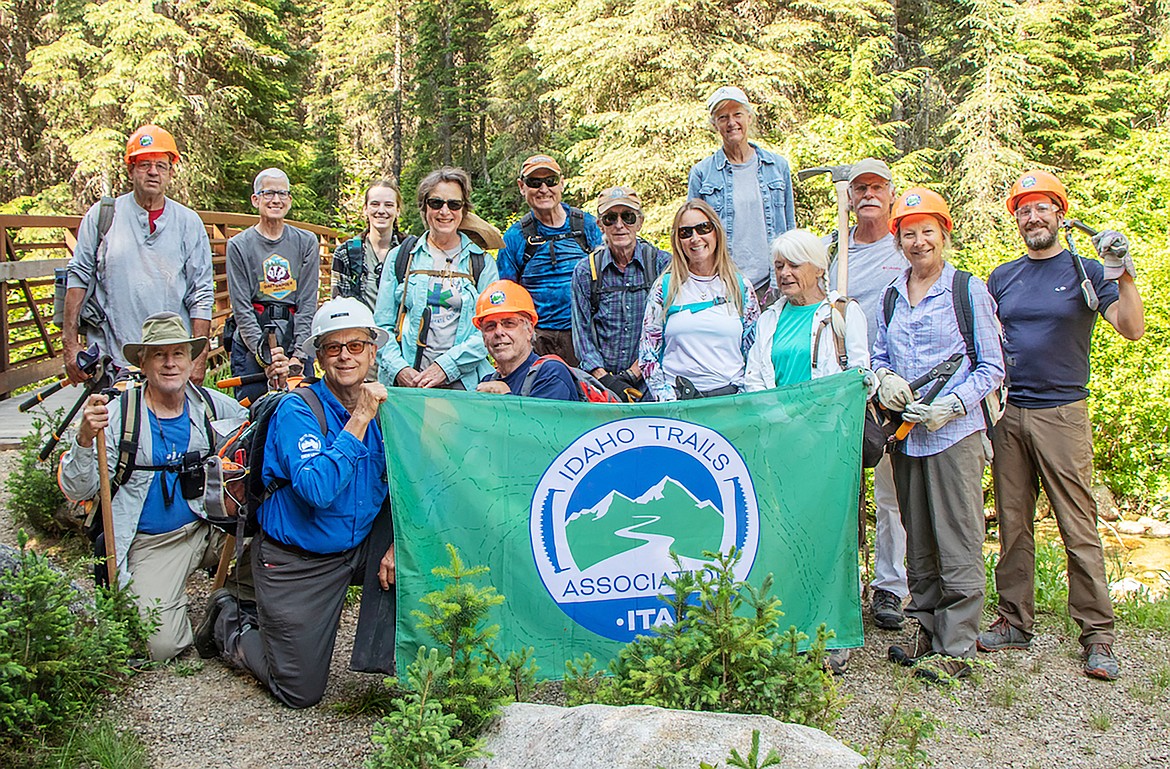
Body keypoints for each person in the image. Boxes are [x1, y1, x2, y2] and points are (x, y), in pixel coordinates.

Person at [977, 171, 1145, 681]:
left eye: (1042, 208)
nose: (1032, 217)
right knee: (1013, 524)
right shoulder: (1002, 277)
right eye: (1023, 210)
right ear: (1017, 219)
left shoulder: (1087, 269)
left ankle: (1097, 636)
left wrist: (1124, 273)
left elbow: (1133, 329)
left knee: (1078, 526)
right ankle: (1013, 621)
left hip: (1063, 413)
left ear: (1060, 213)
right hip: (1008, 413)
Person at [204, 298, 395, 708]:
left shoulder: (389, 408)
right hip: (298, 558)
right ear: (319, 357)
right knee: (299, 691)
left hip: (356, 547)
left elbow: (412, 482)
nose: (346, 356)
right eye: (332, 347)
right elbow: (316, 490)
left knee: (427, 558)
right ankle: (229, 620)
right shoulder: (298, 410)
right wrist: (359, 420)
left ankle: (407, 663)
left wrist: (398, 544)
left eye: (356, 345)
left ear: (373, 351)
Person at [57, 313, 248, 661]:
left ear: (192, 361)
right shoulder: (119, 416)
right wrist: (85, 438)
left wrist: (281, 390)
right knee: (160, 646)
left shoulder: (210, 406)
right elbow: (79, 487)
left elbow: (257, 428)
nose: (171, 363)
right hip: (154, 543)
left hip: (211, 528)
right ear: (142, 363)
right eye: (159, 355)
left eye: (178, 353)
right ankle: (185, 611)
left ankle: (231, 602)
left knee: (271, 542)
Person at [872, 188, 1005, 682]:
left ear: (944, 234)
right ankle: (925, 631)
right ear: (898, 241)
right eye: (909, 233)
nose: (919, 241)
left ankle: (957, 645)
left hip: (954, 433)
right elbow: (879, 354)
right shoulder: (891, 294)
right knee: (918, 537)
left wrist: (952, 405)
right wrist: (884, 380)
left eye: (928, 231)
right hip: (907, 434)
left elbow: (992, 367)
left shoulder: (967, 290)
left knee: (958, 536)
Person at [826, 158, 911, 632]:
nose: (868, 195)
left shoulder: (905, 246)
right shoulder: (835, 249)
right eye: (859, 188)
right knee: (845, 489)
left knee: (893, 492)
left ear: (891, 193)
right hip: (849, 382)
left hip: (896, 382)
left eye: (877, 186)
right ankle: (843, 585)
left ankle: (890, 588)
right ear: (850, 197)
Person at [62, 124, 215, 384]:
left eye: (161, 165)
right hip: (112, 358)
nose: (153, 172)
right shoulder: (103, 215)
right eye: (144, 164)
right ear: (131, 170)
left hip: (170, 363)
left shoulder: (189, 223)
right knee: (111, 424)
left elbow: (201, 293)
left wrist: (198, 360)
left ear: (170, 172)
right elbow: (78, 278)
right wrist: (70, 345)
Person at [373, 167, 499, 391]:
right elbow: (382, 325)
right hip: (409, 384)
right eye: (436, 203)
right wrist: (399, 369)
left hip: (464, 383)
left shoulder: (481, 263)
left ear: (464, 209)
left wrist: (445, 367)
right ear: (424, 207)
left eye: (454, 204)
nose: (445, 211)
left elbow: (491, 329)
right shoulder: (401, 258)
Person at [639, 200, 760, 401]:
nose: (695, 238)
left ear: (716, 232)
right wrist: (668, 400)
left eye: (703, 228)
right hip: (681, 405)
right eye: (685, 233)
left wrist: (745, 397)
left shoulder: (741, 287)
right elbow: (647, 354)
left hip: (731, 404)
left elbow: (755, 351)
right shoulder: (665, 287)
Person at [687, 86, 796, 305]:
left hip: (772, 285)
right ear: (714, 124)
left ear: (749, 117)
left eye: (737, 114)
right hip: (725, 284)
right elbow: (692, 234)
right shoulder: (702, 174)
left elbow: (789, 228)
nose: (731, 123)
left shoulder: (777, 167)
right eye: (723, 117)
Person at [497, 154, 603, 366]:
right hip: (537, 339)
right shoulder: (515, 237)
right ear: (522, 187)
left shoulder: (587, 226)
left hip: (584, 334)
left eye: (550, 181)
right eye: (535, 183)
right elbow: (507, 296)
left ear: (561, 183)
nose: (543, 189)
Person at [226, 168, 321, 404]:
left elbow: (307, 302)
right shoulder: (239, 245)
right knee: (255, 411)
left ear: (289, 200)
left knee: (303, 408)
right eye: (268, 193)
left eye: (282, 194)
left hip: (294, 336)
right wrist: (265, 357)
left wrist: (298, 355)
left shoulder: (306, 242)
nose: (275, 200)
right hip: (254, 340)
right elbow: (241, 308)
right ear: (255, 199)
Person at [570, 186, 671, 398]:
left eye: (628, 217)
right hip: (601, 387)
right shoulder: (586, 271)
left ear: (640, 222)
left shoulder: (662, 264)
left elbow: (667, 328)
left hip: (652, 383)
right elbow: (582, 336)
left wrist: (632, 375)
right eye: (610, 218)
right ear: (600, 225)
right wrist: (606, 380)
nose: (619, 225)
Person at [745, 228, 869, 389]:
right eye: (779, 266)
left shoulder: (844, 312)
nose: (784, 273)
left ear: (819, 269)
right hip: (778, 413)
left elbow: (860, 374)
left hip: (829, 412)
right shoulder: (769, 319)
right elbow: (754, 377)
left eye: (794, 265)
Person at [474, 280, 578, 401]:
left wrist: (506, 396)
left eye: (509, 323)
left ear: (529, 330)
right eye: (490, 326)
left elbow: (545, 420)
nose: (499, 332)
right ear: (483, 337)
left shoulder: (551, 375)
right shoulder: (488, 382)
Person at [332, 179, 404, 309]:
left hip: (402, 327)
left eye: (388, 205)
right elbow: (339, 303)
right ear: (365, 209)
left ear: (397, 210)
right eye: (375, 204)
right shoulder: (347, 252)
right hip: (360, 326)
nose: (381, 211)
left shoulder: (411, 250)